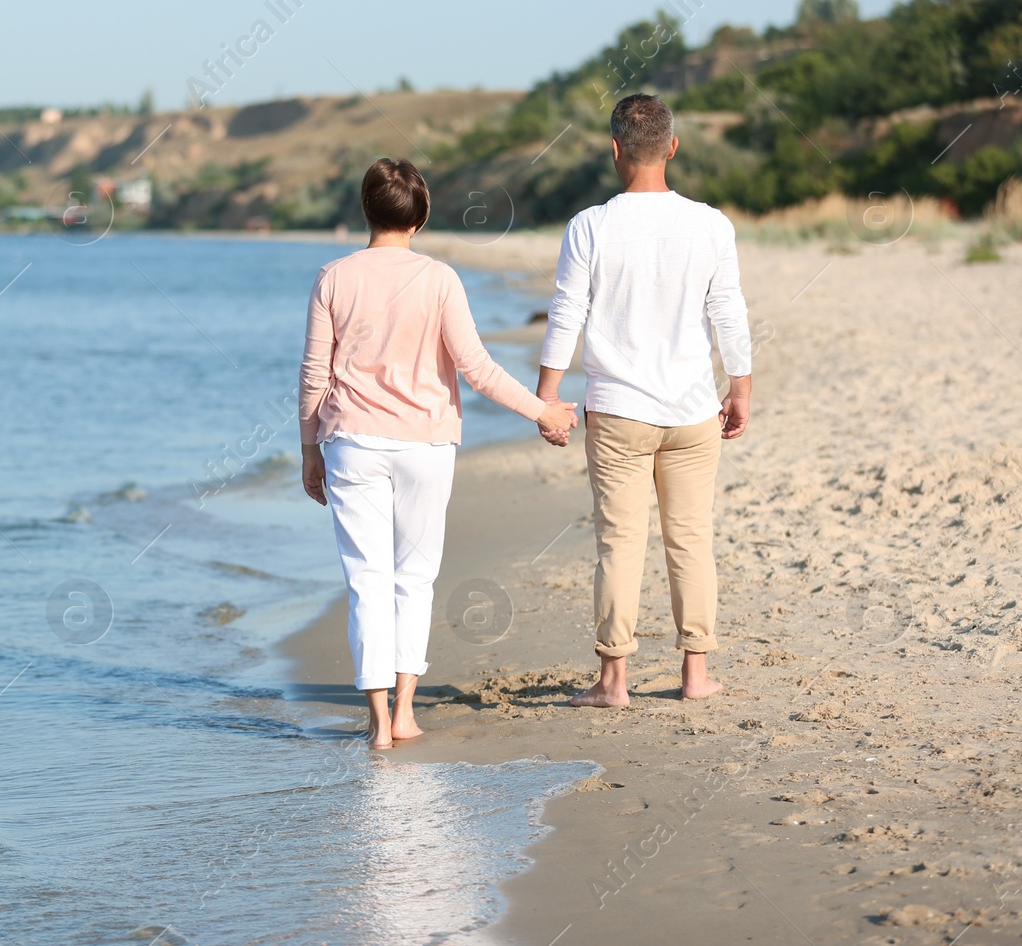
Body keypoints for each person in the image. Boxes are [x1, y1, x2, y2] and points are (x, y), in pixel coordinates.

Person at [299, 158, 579, 748]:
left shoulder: (333, 277)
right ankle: (404, 713)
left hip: (352, 441)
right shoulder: (439, 279)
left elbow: (312, 376)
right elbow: (476, 368)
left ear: (366, 210)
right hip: (426, 443)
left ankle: (376, 725)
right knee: (414, 580)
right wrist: (544, 411)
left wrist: (308, 450)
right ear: (420, 217)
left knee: (366, 582)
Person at [536, 93, 753, 707]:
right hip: (692, 409)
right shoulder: (711, 223)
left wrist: (548, 397)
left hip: (618, 410)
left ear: (614, 151)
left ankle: (614, 682)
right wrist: (739, 390)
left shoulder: (590, 226)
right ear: (673, 147)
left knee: (619, 542)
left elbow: (566, 313)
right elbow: (728, 312)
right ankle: (695, 676)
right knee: (691, 538)